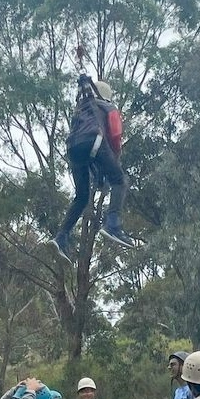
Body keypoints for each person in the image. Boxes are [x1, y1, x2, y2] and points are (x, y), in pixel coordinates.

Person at [50, 76, 133, 264]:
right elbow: (115, 135)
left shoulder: (80, 110)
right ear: (107, 96)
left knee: (81, 197)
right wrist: (114, 160)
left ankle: (61, 237)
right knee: (119, 181)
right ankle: (112, 224)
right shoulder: (108, 107)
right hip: (94, 142)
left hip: (72, 150)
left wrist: (99, 172)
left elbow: (82, 141)